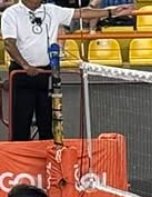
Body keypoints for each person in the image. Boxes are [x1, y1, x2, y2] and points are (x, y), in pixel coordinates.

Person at [2, 0, 132, 141]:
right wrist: (25, 65)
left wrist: (110, 12)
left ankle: (49, 159)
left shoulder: (51, 10)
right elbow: (9, 43)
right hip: (21, 74)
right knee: (21, 123)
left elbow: (81, 13)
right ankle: (19, 160)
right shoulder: (11, 13)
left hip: (46, 73)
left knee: (48, 123)